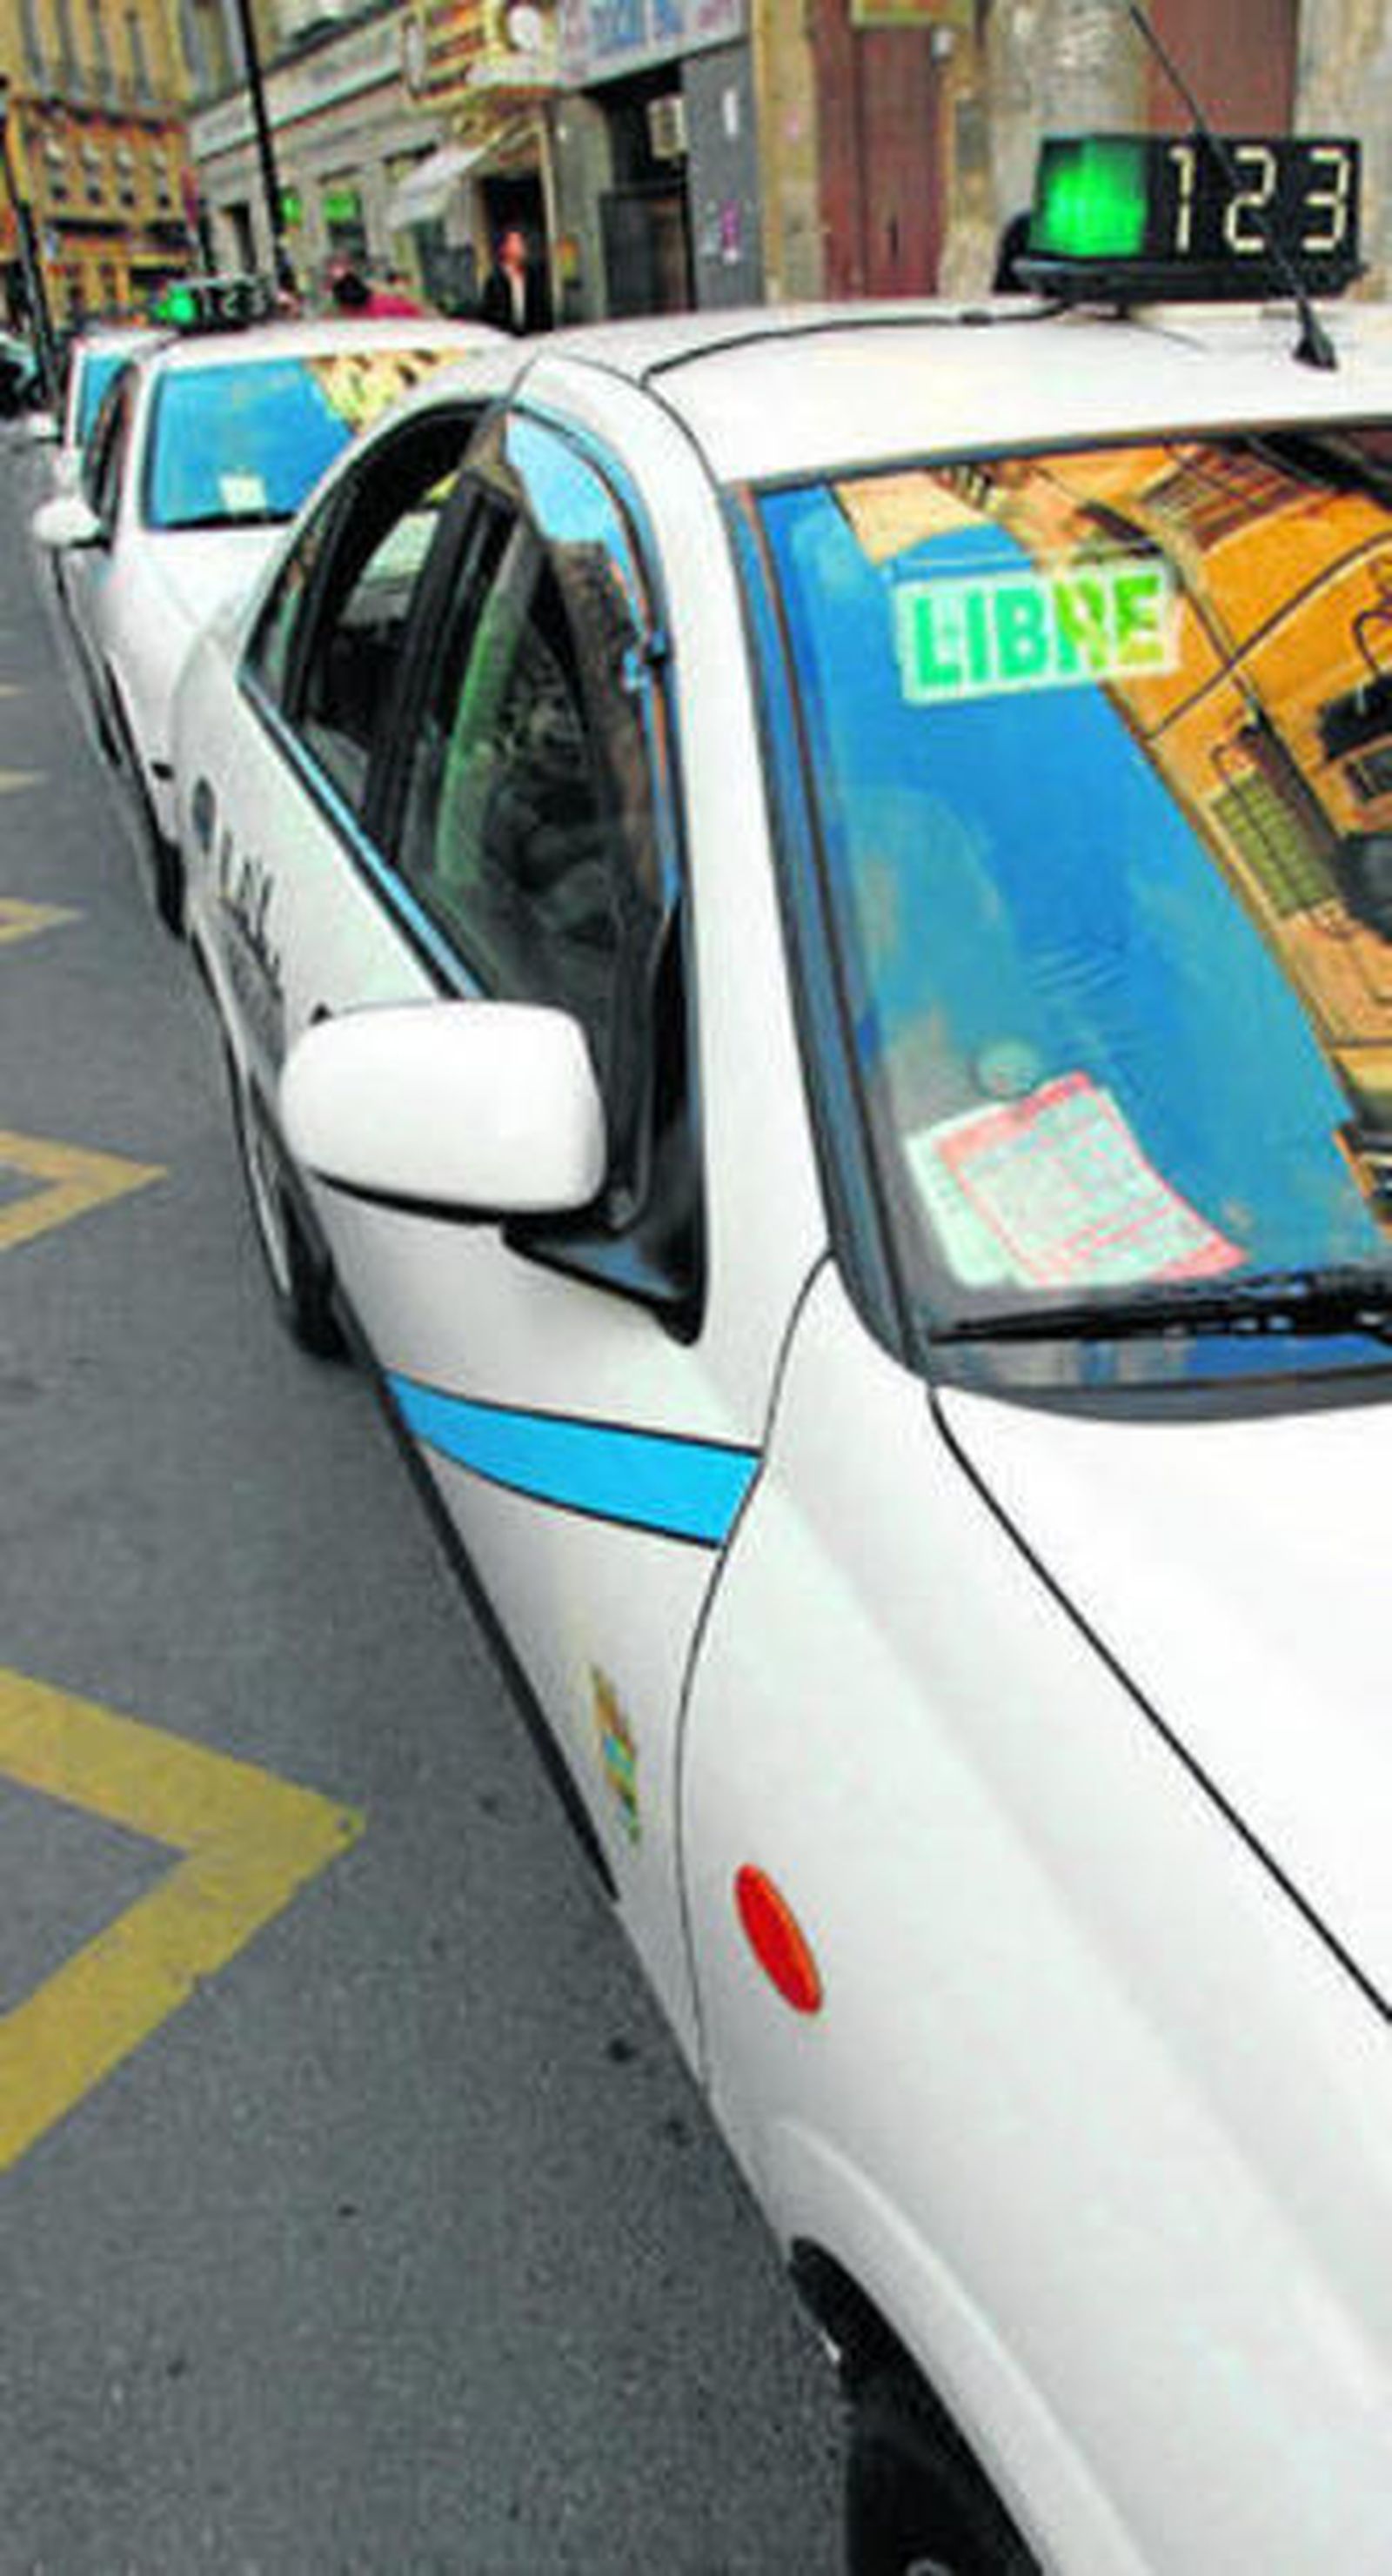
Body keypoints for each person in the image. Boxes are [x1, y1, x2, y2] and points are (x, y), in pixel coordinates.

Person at [479, 227, 551, 335]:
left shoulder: (533, 276)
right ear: (504, 248)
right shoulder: (495, 281)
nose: (521, 247)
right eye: (516, 243)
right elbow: (490, 315)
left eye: (521, 242)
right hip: (505, 338)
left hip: (532, 337)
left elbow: (542, 309)